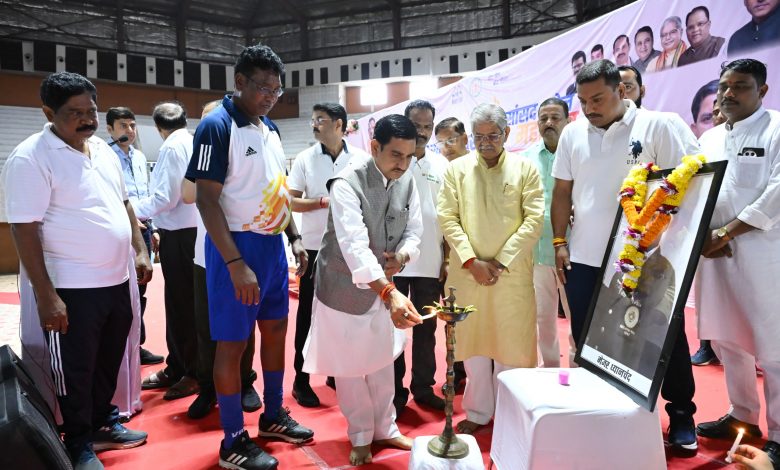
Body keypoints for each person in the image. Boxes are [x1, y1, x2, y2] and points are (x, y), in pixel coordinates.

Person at [2, 71, 151, 470]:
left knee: (108, 359)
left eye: (92, 111)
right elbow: (23, 229)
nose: (87, 120)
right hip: (71, 287)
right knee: (75, 369)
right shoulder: (31, 157)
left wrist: (139, 250)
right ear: (48, 112)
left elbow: (124, 203)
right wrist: (47, 295)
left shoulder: (101, 149)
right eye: (75, 113)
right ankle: (79, 442)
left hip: (116, 280)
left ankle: (102, 421)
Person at [551, 59, 701, 452]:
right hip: (585, 258)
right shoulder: (572, 134)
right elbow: (562, 191)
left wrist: (670, 241)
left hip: (647, 258)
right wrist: (559, 241)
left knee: (661, 338)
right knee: (591, 338)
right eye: (583, 101)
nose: (589, 108)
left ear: (622, 90)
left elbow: (692, 184)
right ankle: (606, 413)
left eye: (597, 99)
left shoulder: (659, 126)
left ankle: (681, 414)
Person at [185, 44, 313, 470]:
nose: (270, 96)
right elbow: (206, 200)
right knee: (233, 345)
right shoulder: (217, 126)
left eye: (277, 90)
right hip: (236, 249)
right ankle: (232, 440)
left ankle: (273, 415)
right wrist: (235, 264)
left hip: (272, 246)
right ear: (240, 82)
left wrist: (294, 236)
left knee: (275, 329)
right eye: (263, 88)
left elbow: (277, 190)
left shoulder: (269, 128)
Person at [302, 114, 424, 466]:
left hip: (383, 287)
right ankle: (359, 434)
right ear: (374, 147)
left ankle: (386, 427)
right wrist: (388, 293)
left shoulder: (407, 180)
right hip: (342, 287)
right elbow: (354, 246)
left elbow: (414, 230)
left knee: (383, 360)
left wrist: (403, 255)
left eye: (409, 156)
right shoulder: (346, 183)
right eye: (396, 155)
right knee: (351, 366)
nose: (403, 164)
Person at [438, 103, 544, 434]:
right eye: (479, 137)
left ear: (506, 133)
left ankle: (511, 416)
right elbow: (447, 217)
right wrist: (472, 261)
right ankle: (478, 412)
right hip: (468, 274)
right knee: (474, 349)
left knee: (512, 347)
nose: (485, 143)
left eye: (493, 136)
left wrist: (498, 262)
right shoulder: (456, 170)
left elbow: (534, 220)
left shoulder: (525, 169)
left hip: (510, 275)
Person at [695, 58, 780, 468]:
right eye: (724, 86)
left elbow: (777, 193)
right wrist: (702, 238)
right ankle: (742, 413)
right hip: (714, 255)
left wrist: (726, 233)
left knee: (773, 346)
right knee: (727, 338)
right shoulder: (708, 139)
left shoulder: (776, 128)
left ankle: (779, 433)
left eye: (740, 86)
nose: (728, 94)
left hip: (763, 256)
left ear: (761, 91)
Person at [183, 100, 261, 420]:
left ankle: (245, 382)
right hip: (206, 256)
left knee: (244, 326)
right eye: (204, 120)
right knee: (206, 326)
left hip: (240, 252)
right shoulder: (202, 153)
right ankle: (207, 388)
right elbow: (189, 195)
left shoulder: (243, 148)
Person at [287, 102, 366, 407]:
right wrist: (322, 202)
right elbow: (290, 202)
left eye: (320, 119)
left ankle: (338, 372)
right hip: (313, 248)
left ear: (339, 124)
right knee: (308, 314)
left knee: (345, 313)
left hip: (349, 248)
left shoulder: (360, 158)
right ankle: (301, 379)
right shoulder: (305, 159)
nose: (314, 124)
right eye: (312, 119)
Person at [138, 102, 200, 401]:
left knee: (183, 306)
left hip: (181, 235)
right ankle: (180, 366)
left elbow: (165, 198)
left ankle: (190, 371)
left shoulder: (172, 148)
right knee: (184, 305)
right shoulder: (193, 140)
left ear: (158, 127)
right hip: (192, 233)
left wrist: (129, 209)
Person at [392, 100, 450, 414]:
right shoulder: (391, 161)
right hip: (396, 261)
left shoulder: (442, 165)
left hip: (430, 261)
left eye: (428, 126)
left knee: (426, 329)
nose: (423, 132)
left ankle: (423, 388)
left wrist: (447, 258)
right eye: (417, 126)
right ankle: (395, 392)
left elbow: (450, 215)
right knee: (395, 328)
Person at [105, 106, 163, 366]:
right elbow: (108, 196)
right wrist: (129, 222)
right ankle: (120, 347)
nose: (129, 130)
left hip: (145, 229)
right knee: (122, 292)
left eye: (132, 125)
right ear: (110, 129)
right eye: (122, 126)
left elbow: (147, 194)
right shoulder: (105, 156)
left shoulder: (140, 157)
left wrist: (155, 227)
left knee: (141, 289)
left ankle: (137, 346)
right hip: (122, 231)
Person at [521, 97, 572, 368]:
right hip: (538, 252)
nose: (549, 123)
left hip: (572, 252)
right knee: (542, 319)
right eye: (543, 119)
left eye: (555, 118)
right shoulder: (526, 158)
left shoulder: (578, 153)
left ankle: (579, 372)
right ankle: (550, 370)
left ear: (568, 121)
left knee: (577, 316)